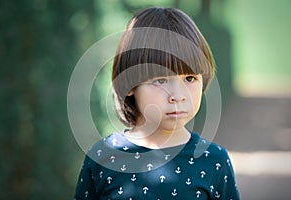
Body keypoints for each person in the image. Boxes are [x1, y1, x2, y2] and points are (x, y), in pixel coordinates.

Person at [74, 7, 240, 199]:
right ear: (128, 84)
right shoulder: (102, 159)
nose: (178, 96)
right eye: (160, 80)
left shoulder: (214, 160)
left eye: (189, 79)